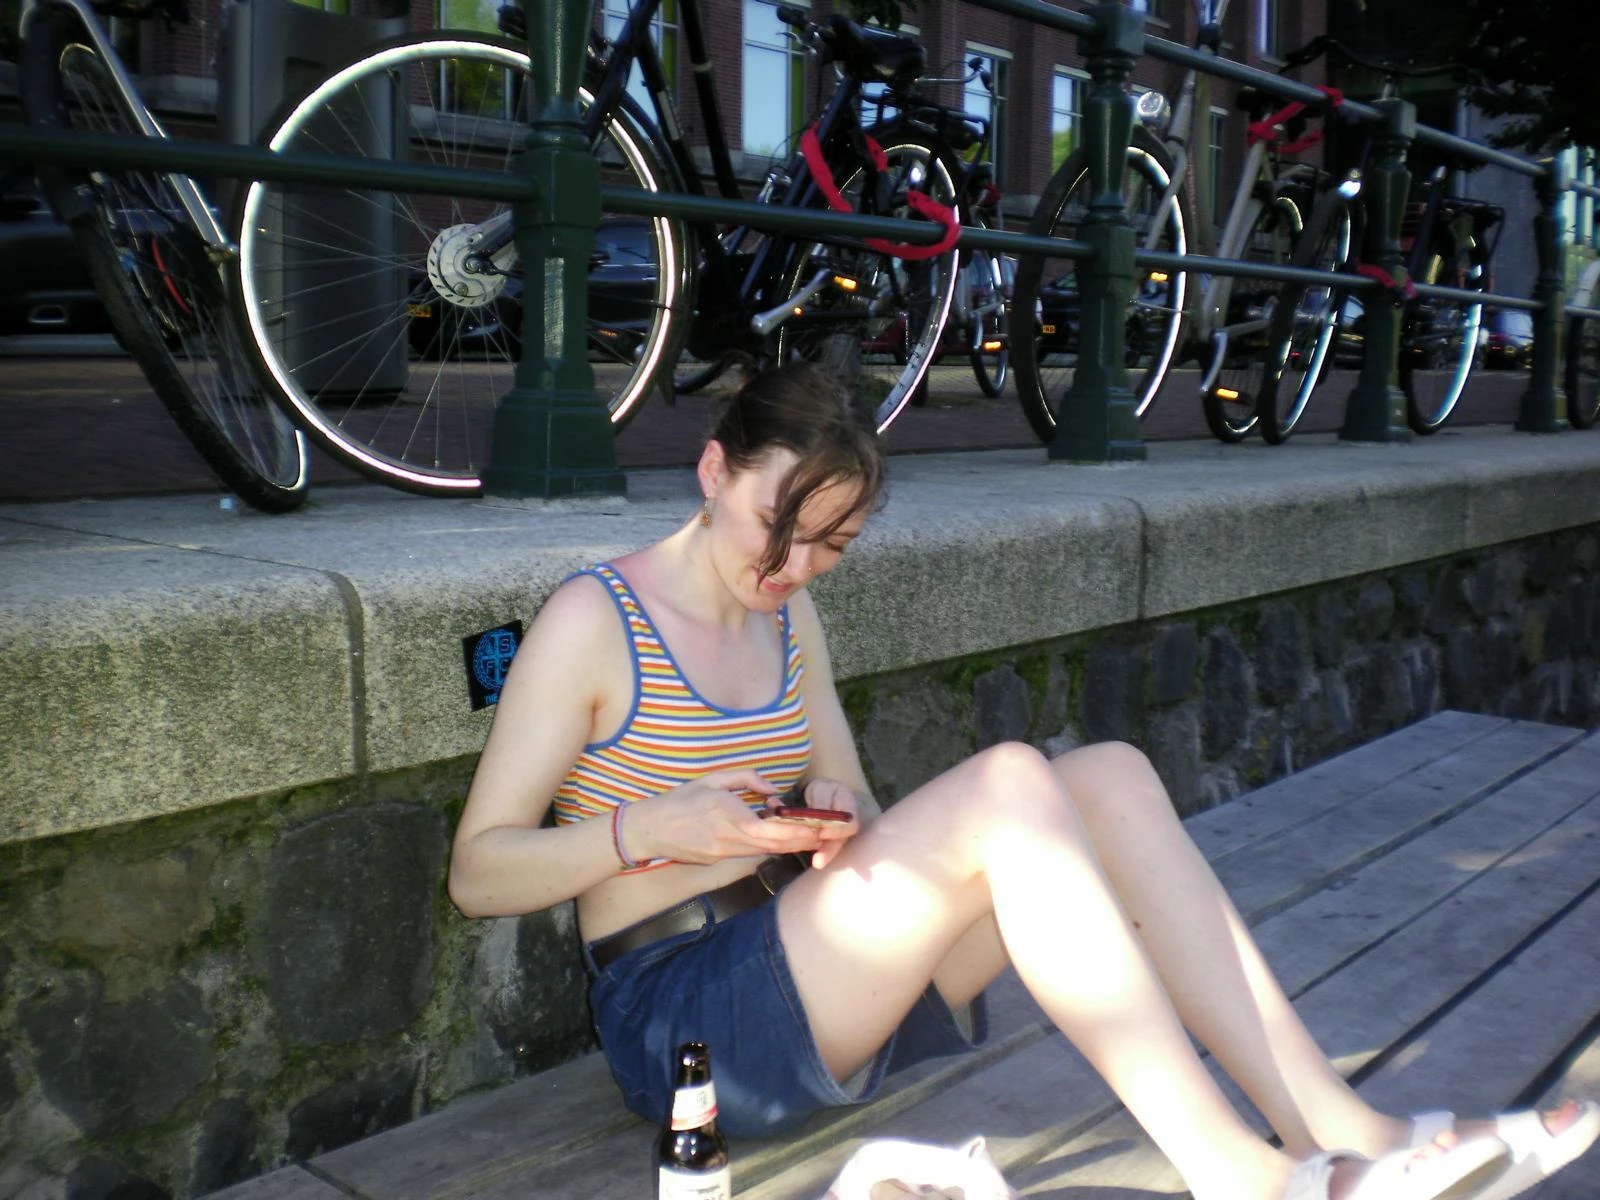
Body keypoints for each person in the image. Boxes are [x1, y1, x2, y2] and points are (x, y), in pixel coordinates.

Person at [448, 362, 1598, 1200]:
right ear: (713, 469)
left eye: (830, 545)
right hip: (688, 1030)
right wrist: (654, 829)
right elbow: (478, 874)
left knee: (1108, 776)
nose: (791, 567)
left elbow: (857, 809)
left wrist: (836, 819)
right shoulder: (593, 620)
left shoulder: (790, 620)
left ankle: (1341, 1127)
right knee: (1008, 782)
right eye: (774, 526)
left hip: (811, 975)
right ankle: (1242, 1178)